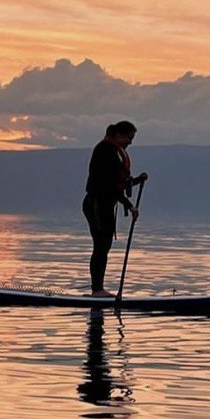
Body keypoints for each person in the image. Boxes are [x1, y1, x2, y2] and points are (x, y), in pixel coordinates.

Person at [83, 120, 148, 295]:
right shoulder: (105, 151)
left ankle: (98, 289)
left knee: (105, 245)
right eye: (129, 138)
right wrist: (130, 206)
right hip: (96, 203)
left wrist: (136, 181)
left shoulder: (117, 153)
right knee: (101, 245)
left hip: (105, 203)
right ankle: (97, 290)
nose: (130, 142)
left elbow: (119, 185)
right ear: (119, 135)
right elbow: (108, 187)